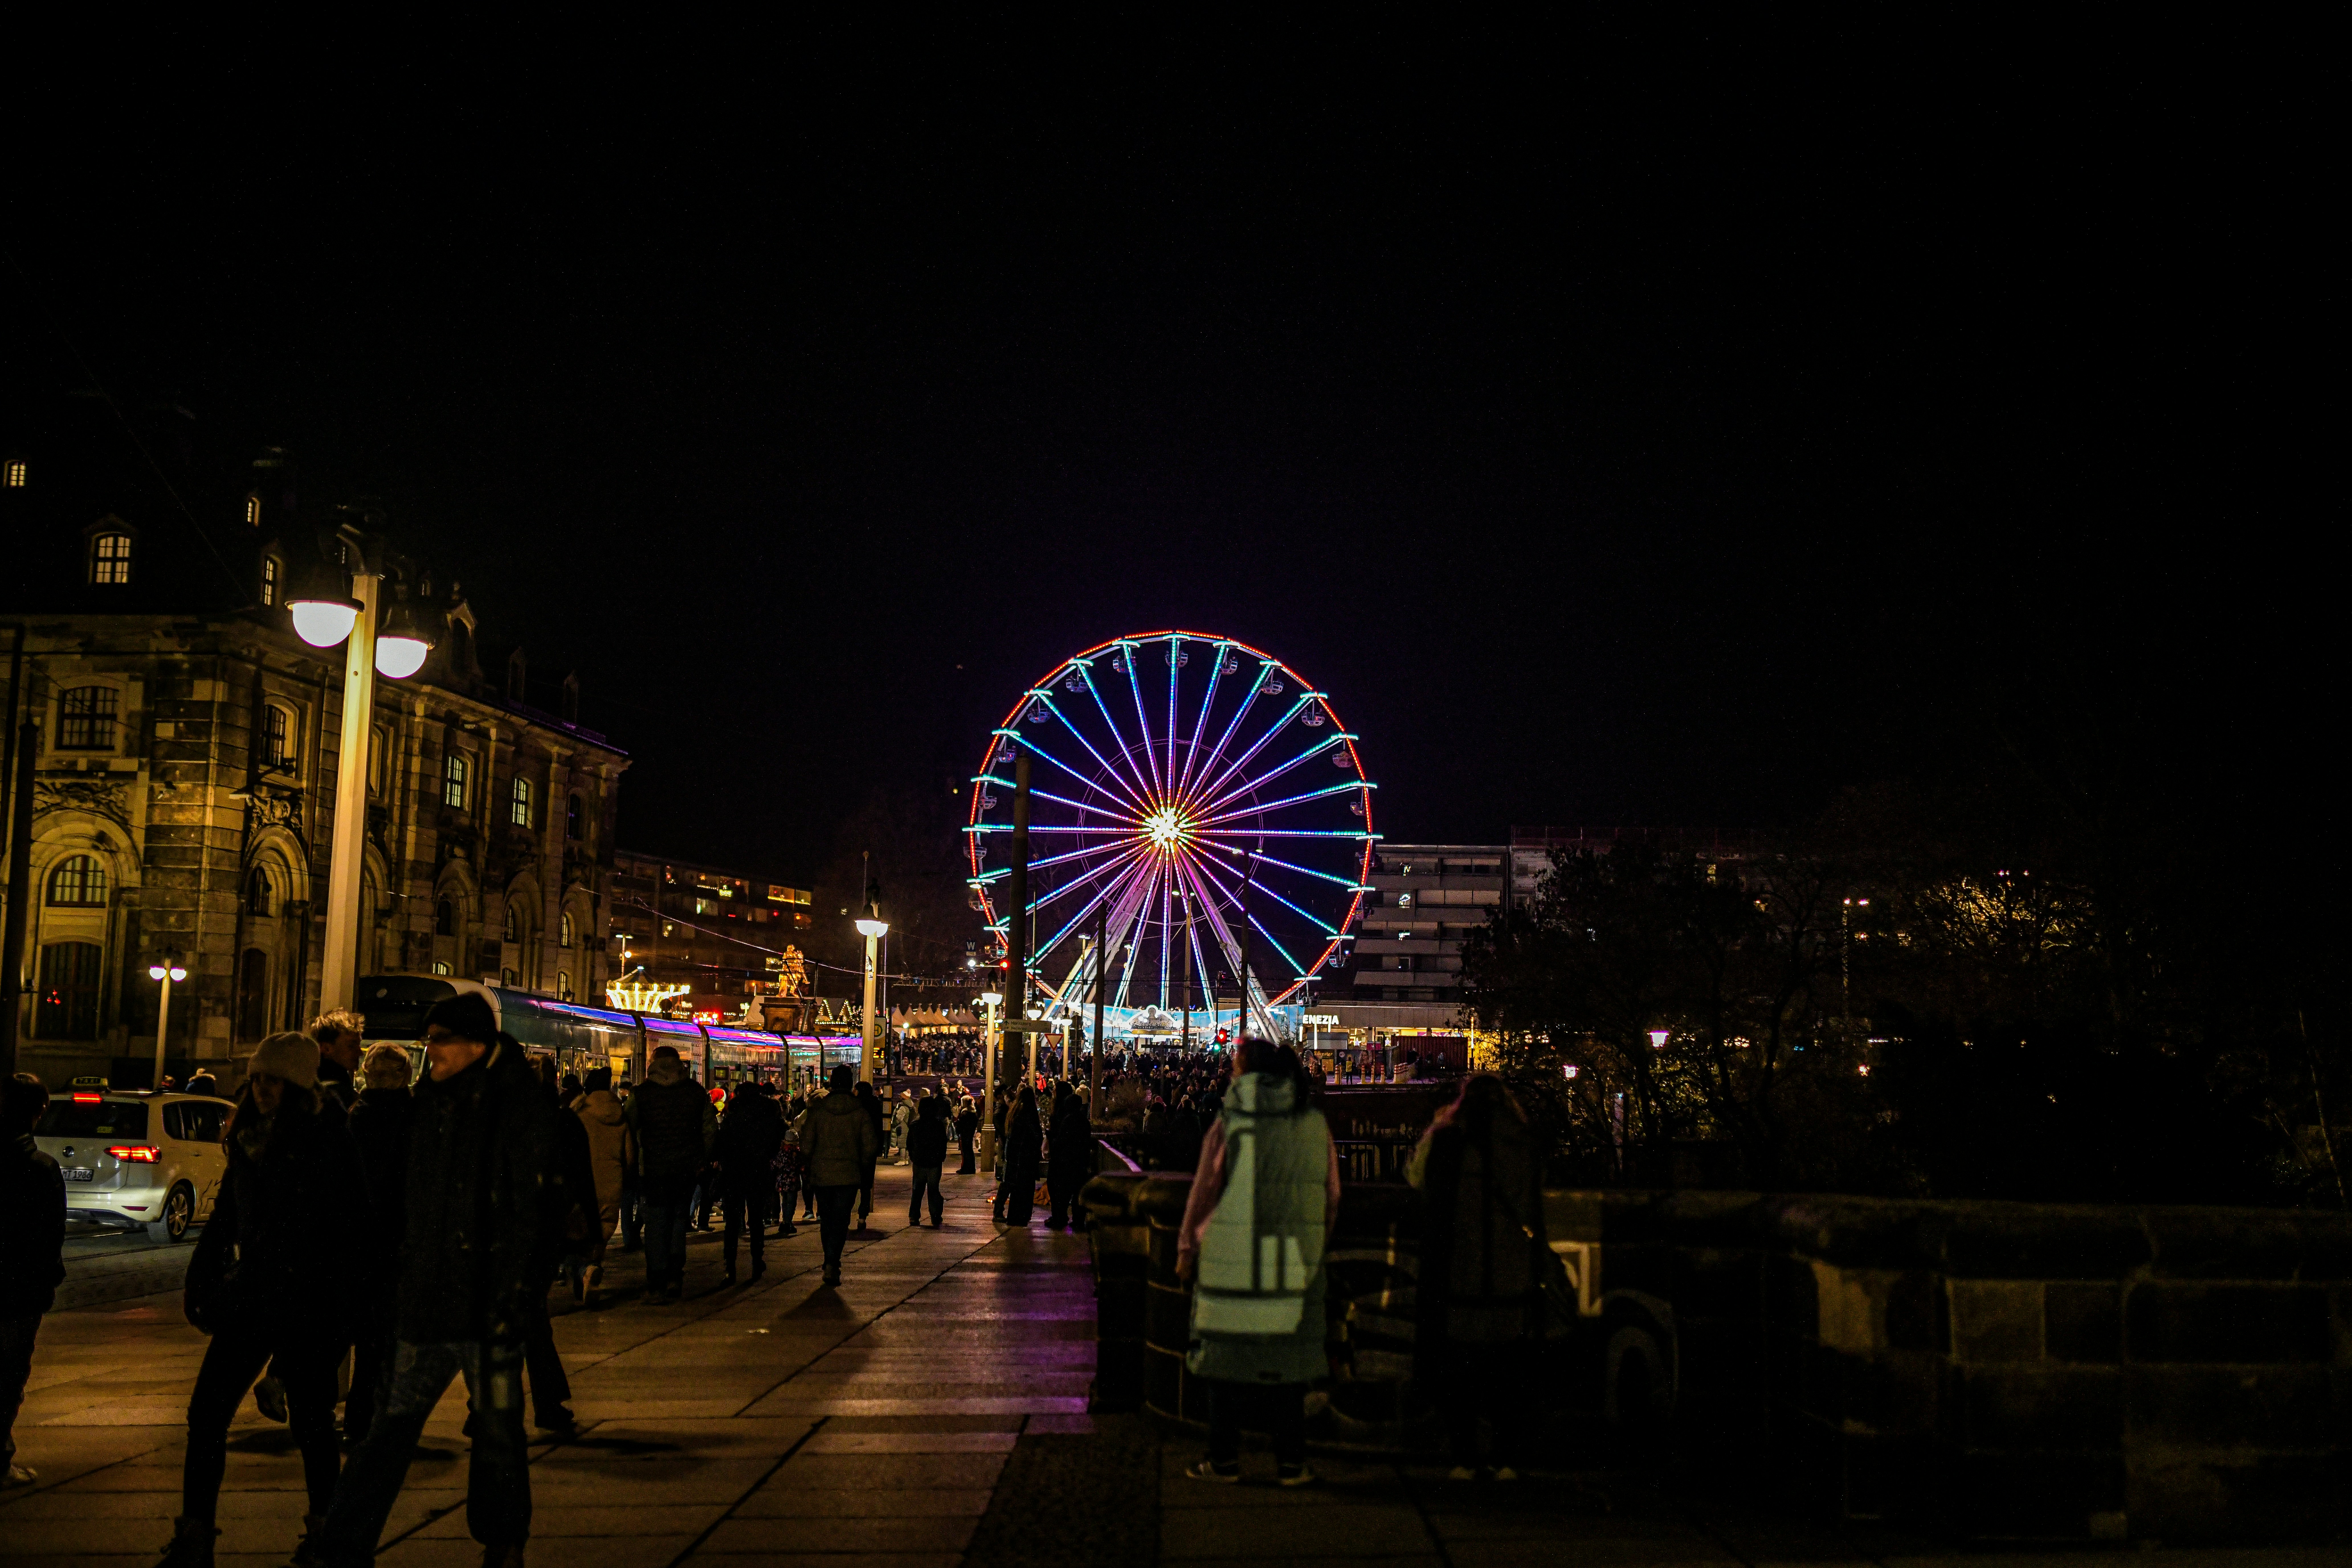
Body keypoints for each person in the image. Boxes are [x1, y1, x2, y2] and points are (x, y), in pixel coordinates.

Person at [304, 993, 557, 1568]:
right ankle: (344, 1545)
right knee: (389, 1430)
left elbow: (537, 1210)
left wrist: (519, 1291)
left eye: (440, 1038)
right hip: (431, 1300)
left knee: (497, 1433)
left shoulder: (515, 1107)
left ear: (475, 1044)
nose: (430, 1049)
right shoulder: (430, 1107)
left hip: (490, 1305)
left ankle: (502, 1540)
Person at [162, 1032, 363, 1567]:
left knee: (312, 1421)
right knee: (207, 1415)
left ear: (297, 1084)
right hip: (253, 1295)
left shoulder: (328, 1137)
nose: (262, 1088)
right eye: (256, 1079)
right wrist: (200, 1277)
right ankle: (195, 1535)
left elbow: (347, 1229)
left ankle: (327, 1533)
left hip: (308, 1300)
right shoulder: (250, 1138)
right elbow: (227, 1213)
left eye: (272, 1079)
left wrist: (340, 1310)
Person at [1176, 1040, 1338, 1488]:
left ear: (1245, 1074)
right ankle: (1291, 1463)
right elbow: (1332, 1195)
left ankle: (1224, 1459)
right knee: (1288, 1366)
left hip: (1232, 1257)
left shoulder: (1231, 1122)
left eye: (1234, 1067)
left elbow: (1204, 1191)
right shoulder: (1313, 1123)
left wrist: (1187, 1249)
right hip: (1293, 1255)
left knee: (1225, 1365)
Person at [1407, 1073, 1544, 1481]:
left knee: (1459, 1368)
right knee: (1507, 1371)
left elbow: (1417, 1179)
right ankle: (1504, 1456)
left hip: (1458, 1268)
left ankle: (1465, 1456)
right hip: (1509, 1271)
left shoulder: (1447, 1140)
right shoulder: (1521, 1143)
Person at [342, 1045, 416, 1450]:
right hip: (400, 1242)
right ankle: (386, 1420)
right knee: (395, 1342)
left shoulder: (356, 1118)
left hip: (363, 1242)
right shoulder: (414, 1118)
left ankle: (360, 1419)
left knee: (369, 1342)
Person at [1, 1073, 65, 1491]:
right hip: (19, 1293)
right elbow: (50, 1237)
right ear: (38, 1114)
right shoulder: (41, 1169)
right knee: (8, 1378)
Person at [629, 1045, 716, 1304]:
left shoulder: (641, 1095)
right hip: (686, 1170)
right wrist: (702, 1160)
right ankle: (675, 1277)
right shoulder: (696, 1093)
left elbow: (629, 1131)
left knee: (656, 1224)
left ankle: (656, 1282)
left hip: (653, 1170)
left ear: (653, 1064)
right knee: (679, 1220)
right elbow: (710, 1132)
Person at [799, 1065, 879, 1285]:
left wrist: (811, 1163)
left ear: (832, 1083)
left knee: (826, 1218)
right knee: (842, 1219)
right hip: (849, 1175)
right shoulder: (860, 1112)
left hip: (822, 1174)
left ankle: (829, 1260)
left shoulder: (819, 1112)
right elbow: (870, 1146)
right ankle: (834, 1261)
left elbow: (806, 1146)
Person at [573, 1068, 633, 1300]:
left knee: (579, 1231)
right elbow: (629, 1156)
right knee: (603, 1230)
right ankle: (593, 1269)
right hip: (611, 1180)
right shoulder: (620, 1114)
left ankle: (584, 1272)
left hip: (583, 1182)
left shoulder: (580, 1113)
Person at [715, 1080, 784, 1284]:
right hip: (758, 1170)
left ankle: (730, 1266)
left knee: (733, 1222)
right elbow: (778, 1136)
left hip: (734, 1172)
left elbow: (722, 1144)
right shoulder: (768, 1115)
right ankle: (757, 1261)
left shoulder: (733, 1116)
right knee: (756, 1219)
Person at [1045, 1080, 1092, 1231]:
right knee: (1075, 1191)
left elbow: (1062, 1140)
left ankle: (1061, 1217)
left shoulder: (1066, 1118)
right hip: (1078, 1161)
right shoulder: (1083, 1120)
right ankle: (1075, 1220)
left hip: (1065, 1160)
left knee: (1061, 1190)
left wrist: (1052, 1138)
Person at [1001, 1086, 1041, 1226]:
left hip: (1015, 1157)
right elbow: (1034, 1134)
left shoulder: (1015, 1110)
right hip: (1026, 1157)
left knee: (1017, 1190)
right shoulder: (1029, 1112)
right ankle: (1022, 1216)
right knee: (1026, 1189)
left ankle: (1014, 1216)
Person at [906, 1096, 949, 1228]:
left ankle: (914, 1216)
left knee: (917, 1190)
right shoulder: (938, 1125)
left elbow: (910, 1143)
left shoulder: (915, 1125)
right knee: (933, 1190)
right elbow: (943, 1142)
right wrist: (941, 1157)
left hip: (920, 1161)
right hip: (934, 1162)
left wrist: (914, 1156)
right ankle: (935, 1216)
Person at [851, 1080, 885, 1229]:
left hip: (855, 1151)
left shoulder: (855, 1106)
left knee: (851, 1185)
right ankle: (862, 1217)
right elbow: (880, 1127)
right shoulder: (876, 1105)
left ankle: (848, 1214)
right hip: (869, 1151)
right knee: (866, 1186)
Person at [953, 1096, 980, 1175]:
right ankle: (971, 1168)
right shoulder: (974, 1112)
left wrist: (957, 1126)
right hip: (970, 1134)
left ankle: (966, 1169)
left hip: (965, 1134)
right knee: (970, 1151)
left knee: (966, 1152)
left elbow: (961, 1125)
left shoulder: (965, 1113)